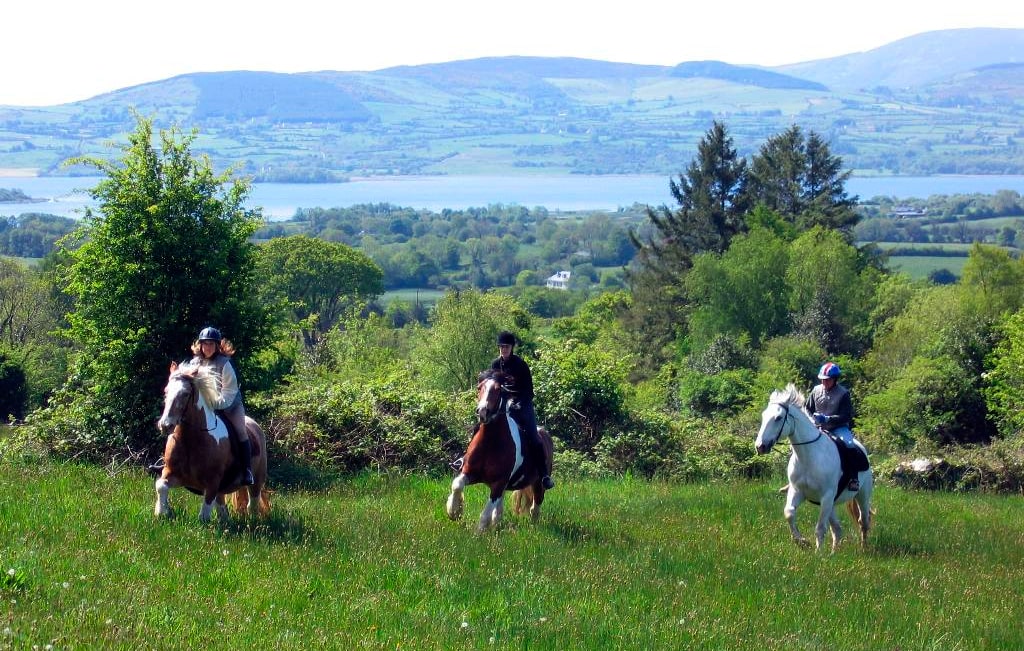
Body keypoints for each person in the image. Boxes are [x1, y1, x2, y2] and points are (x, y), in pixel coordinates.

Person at [187, 326, 254, 485]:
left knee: (240, 431)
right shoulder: (194, 363)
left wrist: (214, 404)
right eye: (205, 344)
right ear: (200, 345)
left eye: (211, 344)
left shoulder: (225, 364)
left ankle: (247, 470)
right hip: (206, 407)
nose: (207, 347)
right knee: (180, 426)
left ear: (217, 346)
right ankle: (170, 462)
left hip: (230, 406)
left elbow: (229, 392)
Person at [491, 331, 554, 490]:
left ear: (512, 347)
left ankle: (544, 474)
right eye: (501, 347)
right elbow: (493, 389)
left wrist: (517, 403)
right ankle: (466, 461)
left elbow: (529, 391)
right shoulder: (495, 365)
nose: (503, 349)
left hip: (523, 406)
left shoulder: (520, 365)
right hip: (503, 408)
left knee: (534, 437)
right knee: (482, 427)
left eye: (506, 347)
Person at [805, 361, 860, 492]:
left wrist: (828, 418)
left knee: (849, 444)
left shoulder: (843, 393)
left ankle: (854, 478)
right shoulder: (815, 391)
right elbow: (807, 408)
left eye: (827, 380)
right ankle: (797, 479)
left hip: (838, 427)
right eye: (822, 380)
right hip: (818, 427)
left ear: (835, 379)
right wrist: (812, 419)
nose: (824, 383)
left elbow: (846, 416)